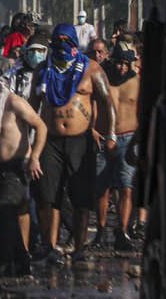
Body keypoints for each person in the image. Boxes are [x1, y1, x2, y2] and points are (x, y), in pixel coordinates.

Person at [33, 24, 116, 264]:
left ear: (74, 44)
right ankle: (50, 246)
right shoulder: (43, 69)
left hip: (80, 141)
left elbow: (108, 102)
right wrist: (29, 144)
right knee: (49, 197)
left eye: (66, 41)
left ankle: (79, 248)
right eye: (57, 41)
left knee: (80, 198)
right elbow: (31, 105)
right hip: (49, 140)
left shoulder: (91, 68)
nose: (61, 45)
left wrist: (110, 134)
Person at [0, 68, 47, 278]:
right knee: (9, 213)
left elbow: (40, 126)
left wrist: (35, 157)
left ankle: (5, 261)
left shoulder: (13, 103)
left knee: (5, 210)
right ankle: (21, 262)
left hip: (17, 165)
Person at [94, 40, 142, 250]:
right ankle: (101, 231)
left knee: (127, 187)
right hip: (104, 138)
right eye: (118, 63)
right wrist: (93, 130)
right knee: (101, 188)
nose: (121, 67)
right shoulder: (105, 80)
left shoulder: (138, 82)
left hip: (129, 137)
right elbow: (94, 104)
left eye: (125, 63)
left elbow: (144, 110)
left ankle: (122, 231)